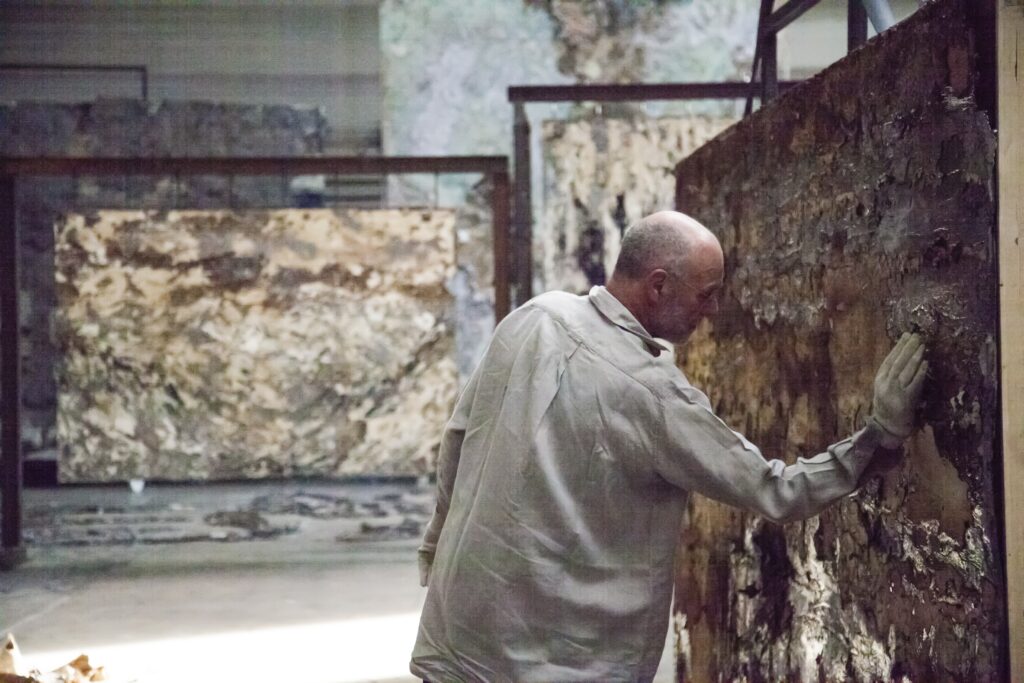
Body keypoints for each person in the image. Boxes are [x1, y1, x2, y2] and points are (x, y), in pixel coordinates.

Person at [409, 211, 928, 682]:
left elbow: (458, 437)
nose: (714, 309)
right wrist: (878, 435)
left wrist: (438, 551)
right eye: (706, 294)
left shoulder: (534, 317)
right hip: (557, 661)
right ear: (658, 285)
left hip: (460, 638)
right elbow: (777, 490)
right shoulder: (654, 395)